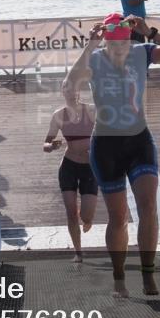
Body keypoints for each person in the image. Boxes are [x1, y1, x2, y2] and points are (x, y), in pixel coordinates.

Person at [65, 12, 160, 297]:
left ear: (129, 41)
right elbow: (69, 86)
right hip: (107, 145)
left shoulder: (142, 53)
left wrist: (152, 32)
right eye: (113, 46)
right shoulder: (95, 60)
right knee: (118, 217)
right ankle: (119, 278)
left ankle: (148, 274)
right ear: (106, 43)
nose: (119, 52)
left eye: (123, 45)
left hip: (138, 141)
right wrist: (90, 45)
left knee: (148, 208)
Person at [42, 80, 98, 262]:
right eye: (67, 91)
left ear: (79, 92)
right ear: (63, 93)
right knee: (70, 211)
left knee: (86, 216)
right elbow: (46, 144)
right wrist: (51, 146)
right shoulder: (59, 115)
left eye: (74, 90)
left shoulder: (91, 110)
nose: (71, 94)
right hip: (69, 165)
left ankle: (87, 219)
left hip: (90, 167)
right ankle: (78, 252)